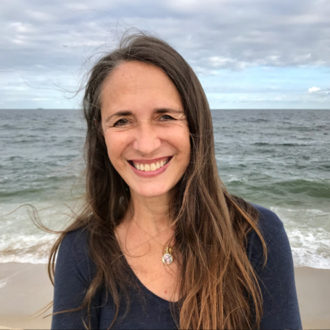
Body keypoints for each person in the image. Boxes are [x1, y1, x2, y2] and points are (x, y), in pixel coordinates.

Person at [50, 34, 301, 329]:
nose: (145, 145)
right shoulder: (81, 250)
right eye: (122, 121)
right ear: (101, 131)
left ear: (194, 122)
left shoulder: (256, 237)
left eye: (165, 116)